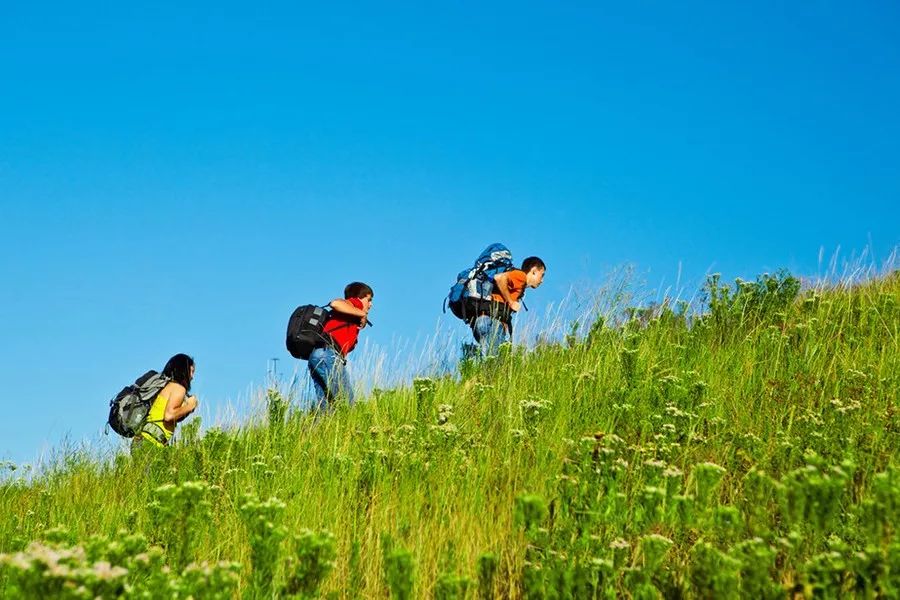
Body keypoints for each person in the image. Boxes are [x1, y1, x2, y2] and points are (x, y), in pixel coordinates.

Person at [308, 282, 373, 410]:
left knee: (327, 408)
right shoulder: (355, 303)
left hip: (317, 357)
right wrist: (362, 314)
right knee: (347, 404)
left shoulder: (348, 317)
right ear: (359, 298)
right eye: (369, 300)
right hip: (328, 355)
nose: (370, 305)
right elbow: (335, 303)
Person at [472, 257, 546, 356]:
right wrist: (511, 302)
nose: (542, 280)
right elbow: (499, 278)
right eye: (542, 275)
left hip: (481, 321)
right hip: (493, 322)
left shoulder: (519, 285)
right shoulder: (521, 276)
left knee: (489, 360)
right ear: (533, 271)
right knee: (497, 363)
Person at [135, 354, 198, 447]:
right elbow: (169, 416)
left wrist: (185, 409)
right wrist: (190, 406)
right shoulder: (178, 388)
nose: (192, 377)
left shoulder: (167, 386)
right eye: (191, 371)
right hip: (150, 442)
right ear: (184, 370)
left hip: (144, 440)